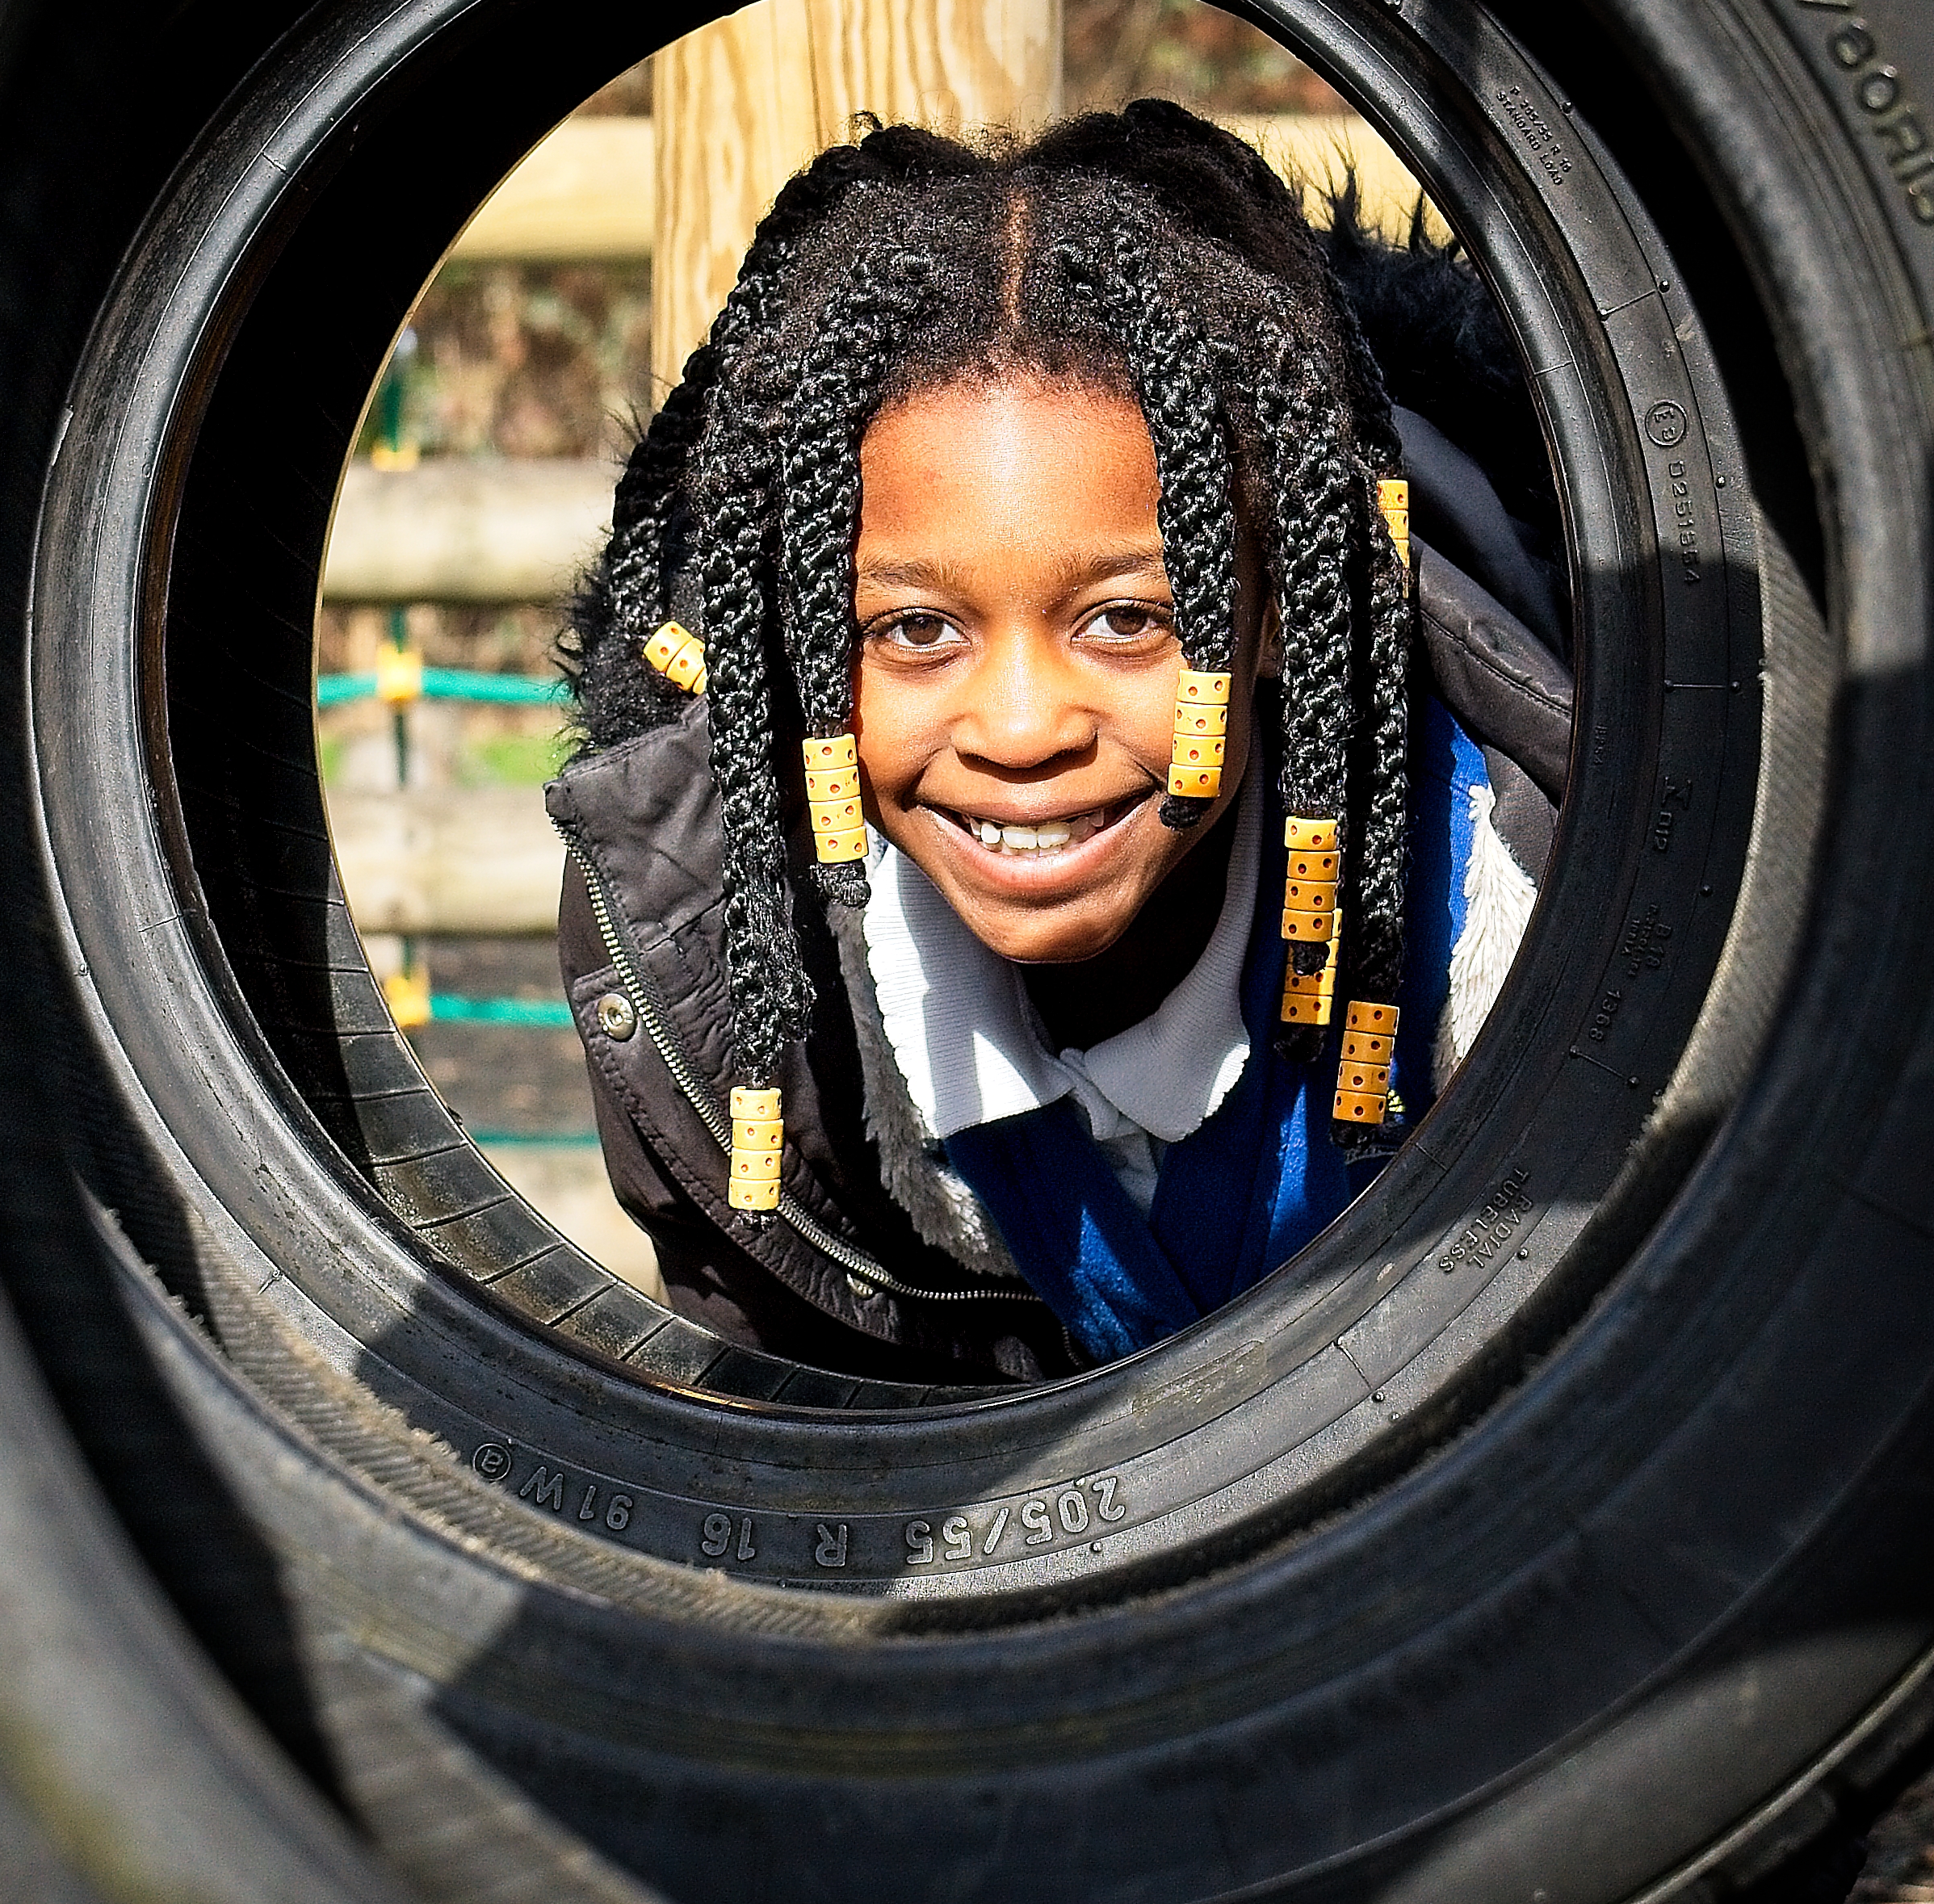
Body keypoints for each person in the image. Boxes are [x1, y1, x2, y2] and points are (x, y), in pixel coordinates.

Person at [548, 100, 1572, 1386]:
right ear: (809, 646)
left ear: (1272, 621)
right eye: (916, 630)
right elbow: (796, 1497)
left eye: (1128, 618)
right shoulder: (710, 976)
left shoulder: (1528, 915)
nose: (1023, 729)